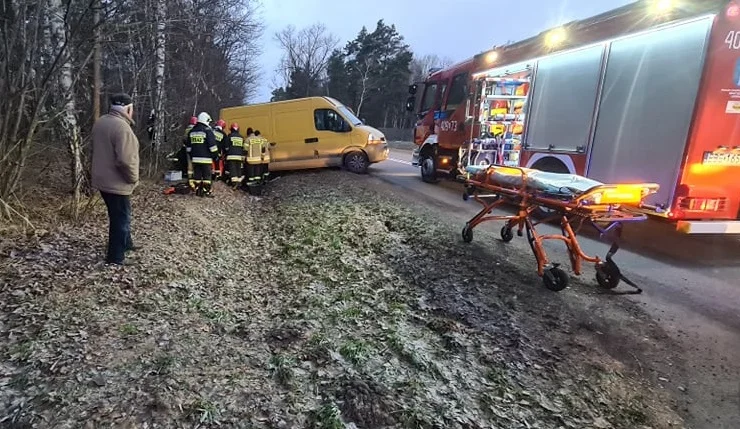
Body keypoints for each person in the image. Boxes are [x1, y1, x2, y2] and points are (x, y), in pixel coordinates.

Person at [91, 93, 140, 266]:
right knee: (121, 218)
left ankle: (127, 244)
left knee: (119, 214)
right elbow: (126, 160)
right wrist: (133, 178)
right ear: (128, 108)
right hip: (116, 182)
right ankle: (116, 257)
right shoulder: (122, 128)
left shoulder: (101, 122)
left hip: (102, 179)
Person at [186, 112, 219, 197]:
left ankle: (197, 190)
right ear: (206, 120)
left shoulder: (191, 131)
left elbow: (188, 148)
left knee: (197, 176)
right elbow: (212, 147)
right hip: (206, 159)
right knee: (207, 177)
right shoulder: (208, 131)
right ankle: (206, 191)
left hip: (195, 159)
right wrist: (215, 156)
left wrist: (192, 155)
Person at [225, 122, 245, 188]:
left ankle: (234, 183)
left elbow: (226, 147)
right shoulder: (241, 137)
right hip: (239, 156)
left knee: (232, 169)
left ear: (231, 129)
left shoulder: (229, 136)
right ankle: (239, 183)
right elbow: (243, 148)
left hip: (231, 156)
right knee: (238, 169)